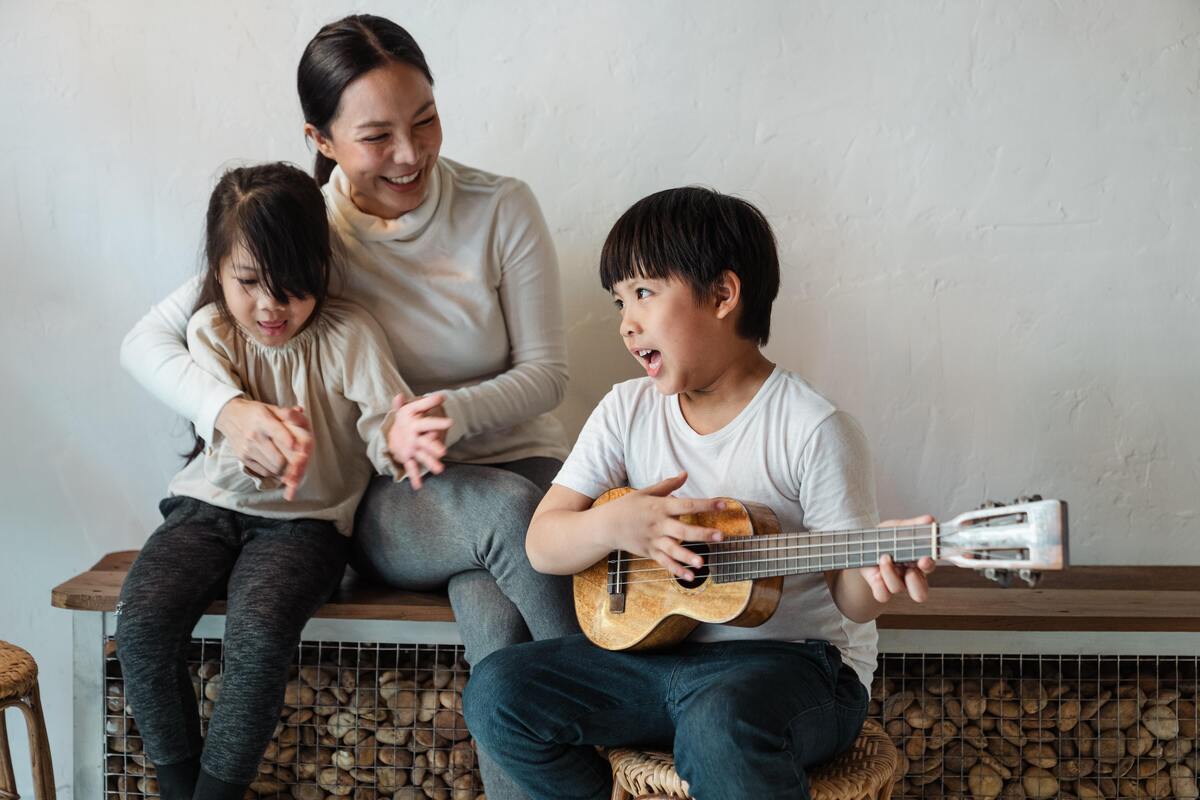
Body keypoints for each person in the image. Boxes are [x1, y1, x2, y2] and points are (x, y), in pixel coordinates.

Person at [120, 16, 579, 797]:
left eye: (425, 118)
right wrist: (229, 411)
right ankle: (620, 705)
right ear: (322, 139)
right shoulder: (299, 232)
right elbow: (147, 341)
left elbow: (547, 374)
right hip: (402, 498)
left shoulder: (501, 207)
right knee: (505, 513)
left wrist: (439, 416)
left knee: (495, 625)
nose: (410, 153)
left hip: (524, 467)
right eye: (376, 136)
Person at [462, 187, 937, 799]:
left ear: (722, 294)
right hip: (657, 663)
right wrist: (618, 525)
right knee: (500, 691)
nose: (626, 323)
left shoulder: (812, 427)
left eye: (643, 293)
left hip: (795, 670)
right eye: (619, 301)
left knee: (719, 724)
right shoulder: (625, 410)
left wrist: (878, 577)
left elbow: (851, 599)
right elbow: (542, 545)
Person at [116, 162, 428, 800]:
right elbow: (223, 447)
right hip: (205, 508)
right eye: (249, 282)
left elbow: (384, 425)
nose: (269, 306)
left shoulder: (351, 335)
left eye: (290, 285)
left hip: (305, 526)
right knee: (142, 621)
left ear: (320, 267)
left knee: (257, 634)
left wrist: (400, 442)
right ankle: (180, 786)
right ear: (218, 271)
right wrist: (252, 446)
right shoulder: (211, 331)